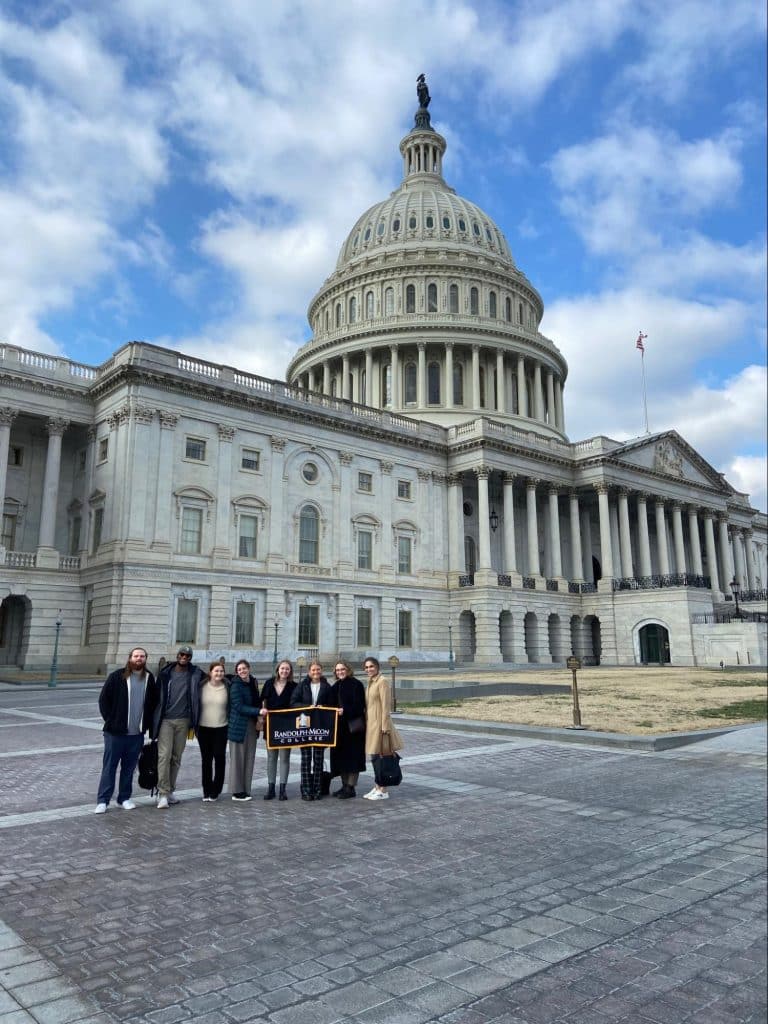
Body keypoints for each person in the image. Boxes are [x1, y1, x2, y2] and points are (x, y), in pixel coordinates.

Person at [94, 647, 159, 813]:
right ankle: (103, 800)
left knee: (129, 768)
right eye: (136, 656)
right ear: (130, 658)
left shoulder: (149, 678)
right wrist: (111, 721)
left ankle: (124, 798)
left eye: (142, 656)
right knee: (109, 767)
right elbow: (104, 700)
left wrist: (148, 728)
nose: (139, 659)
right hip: (115, 734)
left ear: (146, 659)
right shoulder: (117, 676)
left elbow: (152, 704)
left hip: (136, 734)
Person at [154, 645, 204, 809]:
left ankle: (170, 791)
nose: (184, 657)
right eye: (182, 654)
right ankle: (162, 793)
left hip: (184, 721)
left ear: (190, 658)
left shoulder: (195, 673)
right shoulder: (165, 674)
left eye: (187, 656)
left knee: (176, 757)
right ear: (177, 656)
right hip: (166, 721)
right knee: (164, 756)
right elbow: (154, 697)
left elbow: (213, 678)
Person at [362, 656, 404, 800]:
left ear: (377, 667)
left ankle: (383, 790)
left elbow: (386, 707)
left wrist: (385, 727)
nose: (369, 669)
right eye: (366, 667)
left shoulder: (382, 681)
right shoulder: (371, 682)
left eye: (371, 666)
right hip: (371, 725)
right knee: (374, 756)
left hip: (380, 726)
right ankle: (377, 786)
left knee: (382, 757)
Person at [291, 660, 333, 801]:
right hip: (305, 726)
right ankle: (306, 790)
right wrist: (308, 706)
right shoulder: (302, 686)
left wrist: (323, 706)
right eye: (313, 670)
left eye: (318, 670)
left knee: (319, 759)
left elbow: (332, 704)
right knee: (306, 759)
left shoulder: (327, 686)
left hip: (320, 726)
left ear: (321, 671)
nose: (316, 672)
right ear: (309, 671)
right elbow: (293, 703)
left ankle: (318, 789)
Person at [259, 659, 297, 800]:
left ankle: (282, 789)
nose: (284, 671)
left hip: (286, 726)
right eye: (282, 668)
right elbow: (261, 700)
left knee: (284, 757)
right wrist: (262, 711)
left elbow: (297, 704)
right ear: (278, 670)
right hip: (271, 724)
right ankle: (271, 788)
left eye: (287, 669)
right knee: (271, 757)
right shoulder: (269, 683)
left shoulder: (294, 686)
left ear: (290, 671)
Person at [329, 659, 366, 799]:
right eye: (337, 670)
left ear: (348, 670)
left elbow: (359, 706)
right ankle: (344, 785)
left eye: (342, 669)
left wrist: (345, 711)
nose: (340, 672)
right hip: (339, 729)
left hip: (353, 728)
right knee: (341, 758)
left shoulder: (356, 684)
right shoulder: (336, 685)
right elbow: (329, 703)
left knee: (353, 758)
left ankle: (351, 787)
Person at [228, 658, 261, 801]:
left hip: (251, 725)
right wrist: (258, 711)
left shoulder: (253, 682)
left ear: (249, 668)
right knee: (238, 759)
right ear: (237, 672)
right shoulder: (235, 685)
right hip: (238, 725)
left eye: (244, 668)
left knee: (249, 757)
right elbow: (238, 706)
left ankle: (246, 789)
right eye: (239, 669)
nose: (242, 671)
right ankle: (237, 791)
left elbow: (257, 699)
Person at [197, 661, 230, 802]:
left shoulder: (228, 686)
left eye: (221, 671)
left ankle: (216, 790)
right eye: (216, 671)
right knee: (206, 760)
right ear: (210, 672)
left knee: (219, 757)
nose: (219, 674)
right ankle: (206, 790)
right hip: (203, 728)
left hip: (221, 727)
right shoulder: (201, 686)